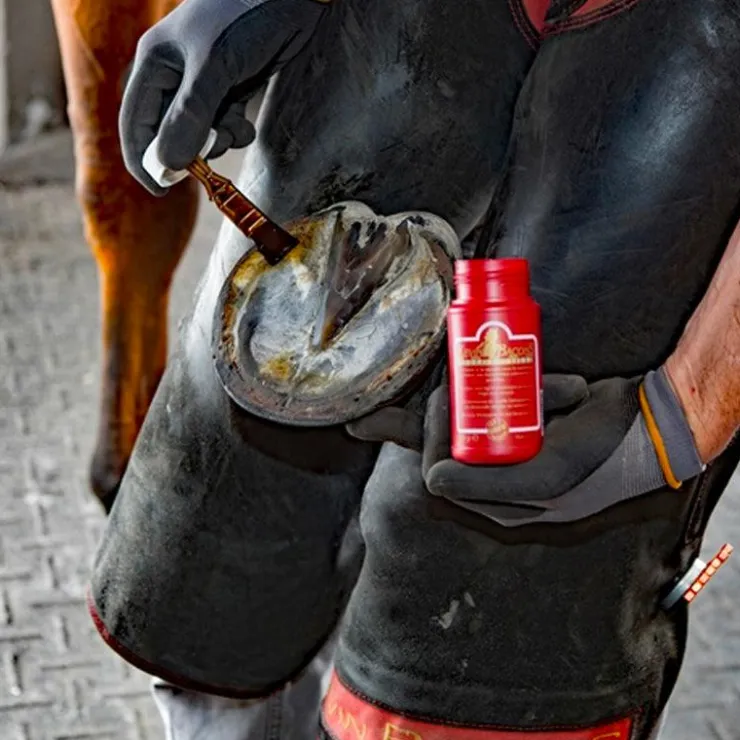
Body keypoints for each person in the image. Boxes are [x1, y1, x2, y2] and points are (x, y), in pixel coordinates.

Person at [88, 0, 740, 738]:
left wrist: (686, 407)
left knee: (482, 642)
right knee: (228, 557)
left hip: (694, 72)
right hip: (401, 38)